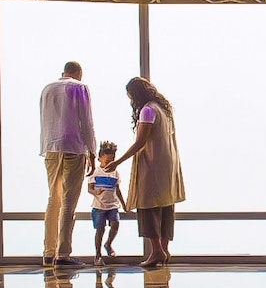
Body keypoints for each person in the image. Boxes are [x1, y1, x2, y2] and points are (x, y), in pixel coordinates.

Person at [106, 77, 184, 269]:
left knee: (147, 205)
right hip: (168, 163)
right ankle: (164, 249)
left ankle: (156, 250)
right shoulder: (164, 109)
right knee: (165, 205)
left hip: (152, 163)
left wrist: (118, 161)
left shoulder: (147, 110)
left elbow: (141, 142)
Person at [39, 61, 97, 268]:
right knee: (69, 202)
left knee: (53, 199)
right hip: (73, 147)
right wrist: (92, 150)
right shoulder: (79, 87)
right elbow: (86, 121)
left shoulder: (47, 88)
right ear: (79, 73)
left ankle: (48, 252)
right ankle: (63, 254)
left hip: (50, 148)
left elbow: (44, 120)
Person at [88, 141, 123, 266]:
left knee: (115, 224)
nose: (110, 164)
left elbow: (118, 190)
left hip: (112, 205)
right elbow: (90, 188)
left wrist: (124, 205)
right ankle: (98, 255)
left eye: (112, 161)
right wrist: (96, 192)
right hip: (99, 206)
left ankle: (108, 243)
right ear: (100, 158)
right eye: (107, 161)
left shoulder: (115, 173)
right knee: (100, 230)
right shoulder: (96, 172)